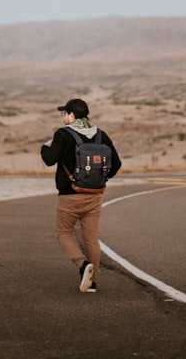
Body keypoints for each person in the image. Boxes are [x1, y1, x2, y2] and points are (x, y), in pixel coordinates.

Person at [40, 97, 121, 293]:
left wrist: (45, 146)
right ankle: (92, 283)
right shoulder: (101, 135)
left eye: (64, 113)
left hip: (69, 196)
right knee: (91, 240)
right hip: (94, 196)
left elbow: (49, 160)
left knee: (64, 233)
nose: (63, 117)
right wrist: (99, 179)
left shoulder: (63, 135)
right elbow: (116, 164)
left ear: (72, 115)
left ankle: (83, 265)